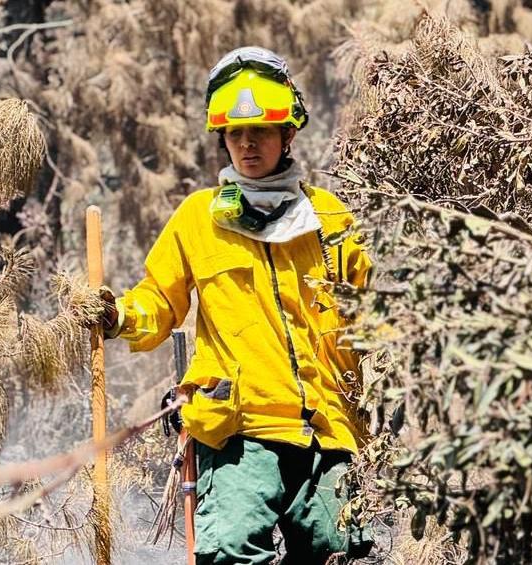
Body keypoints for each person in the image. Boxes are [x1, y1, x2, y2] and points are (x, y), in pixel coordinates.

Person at [98, 46, 374, 564]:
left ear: (287, 134)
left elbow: (376, 305)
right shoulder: (200, 217)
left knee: (340, 553)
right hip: (239, 430)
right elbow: (158, 301)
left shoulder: (330, 217)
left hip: (329, 428)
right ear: (222, 139)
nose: (247, 144)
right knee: (228, 553)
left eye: (262, 132)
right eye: (235, 134)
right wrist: (119, 316)